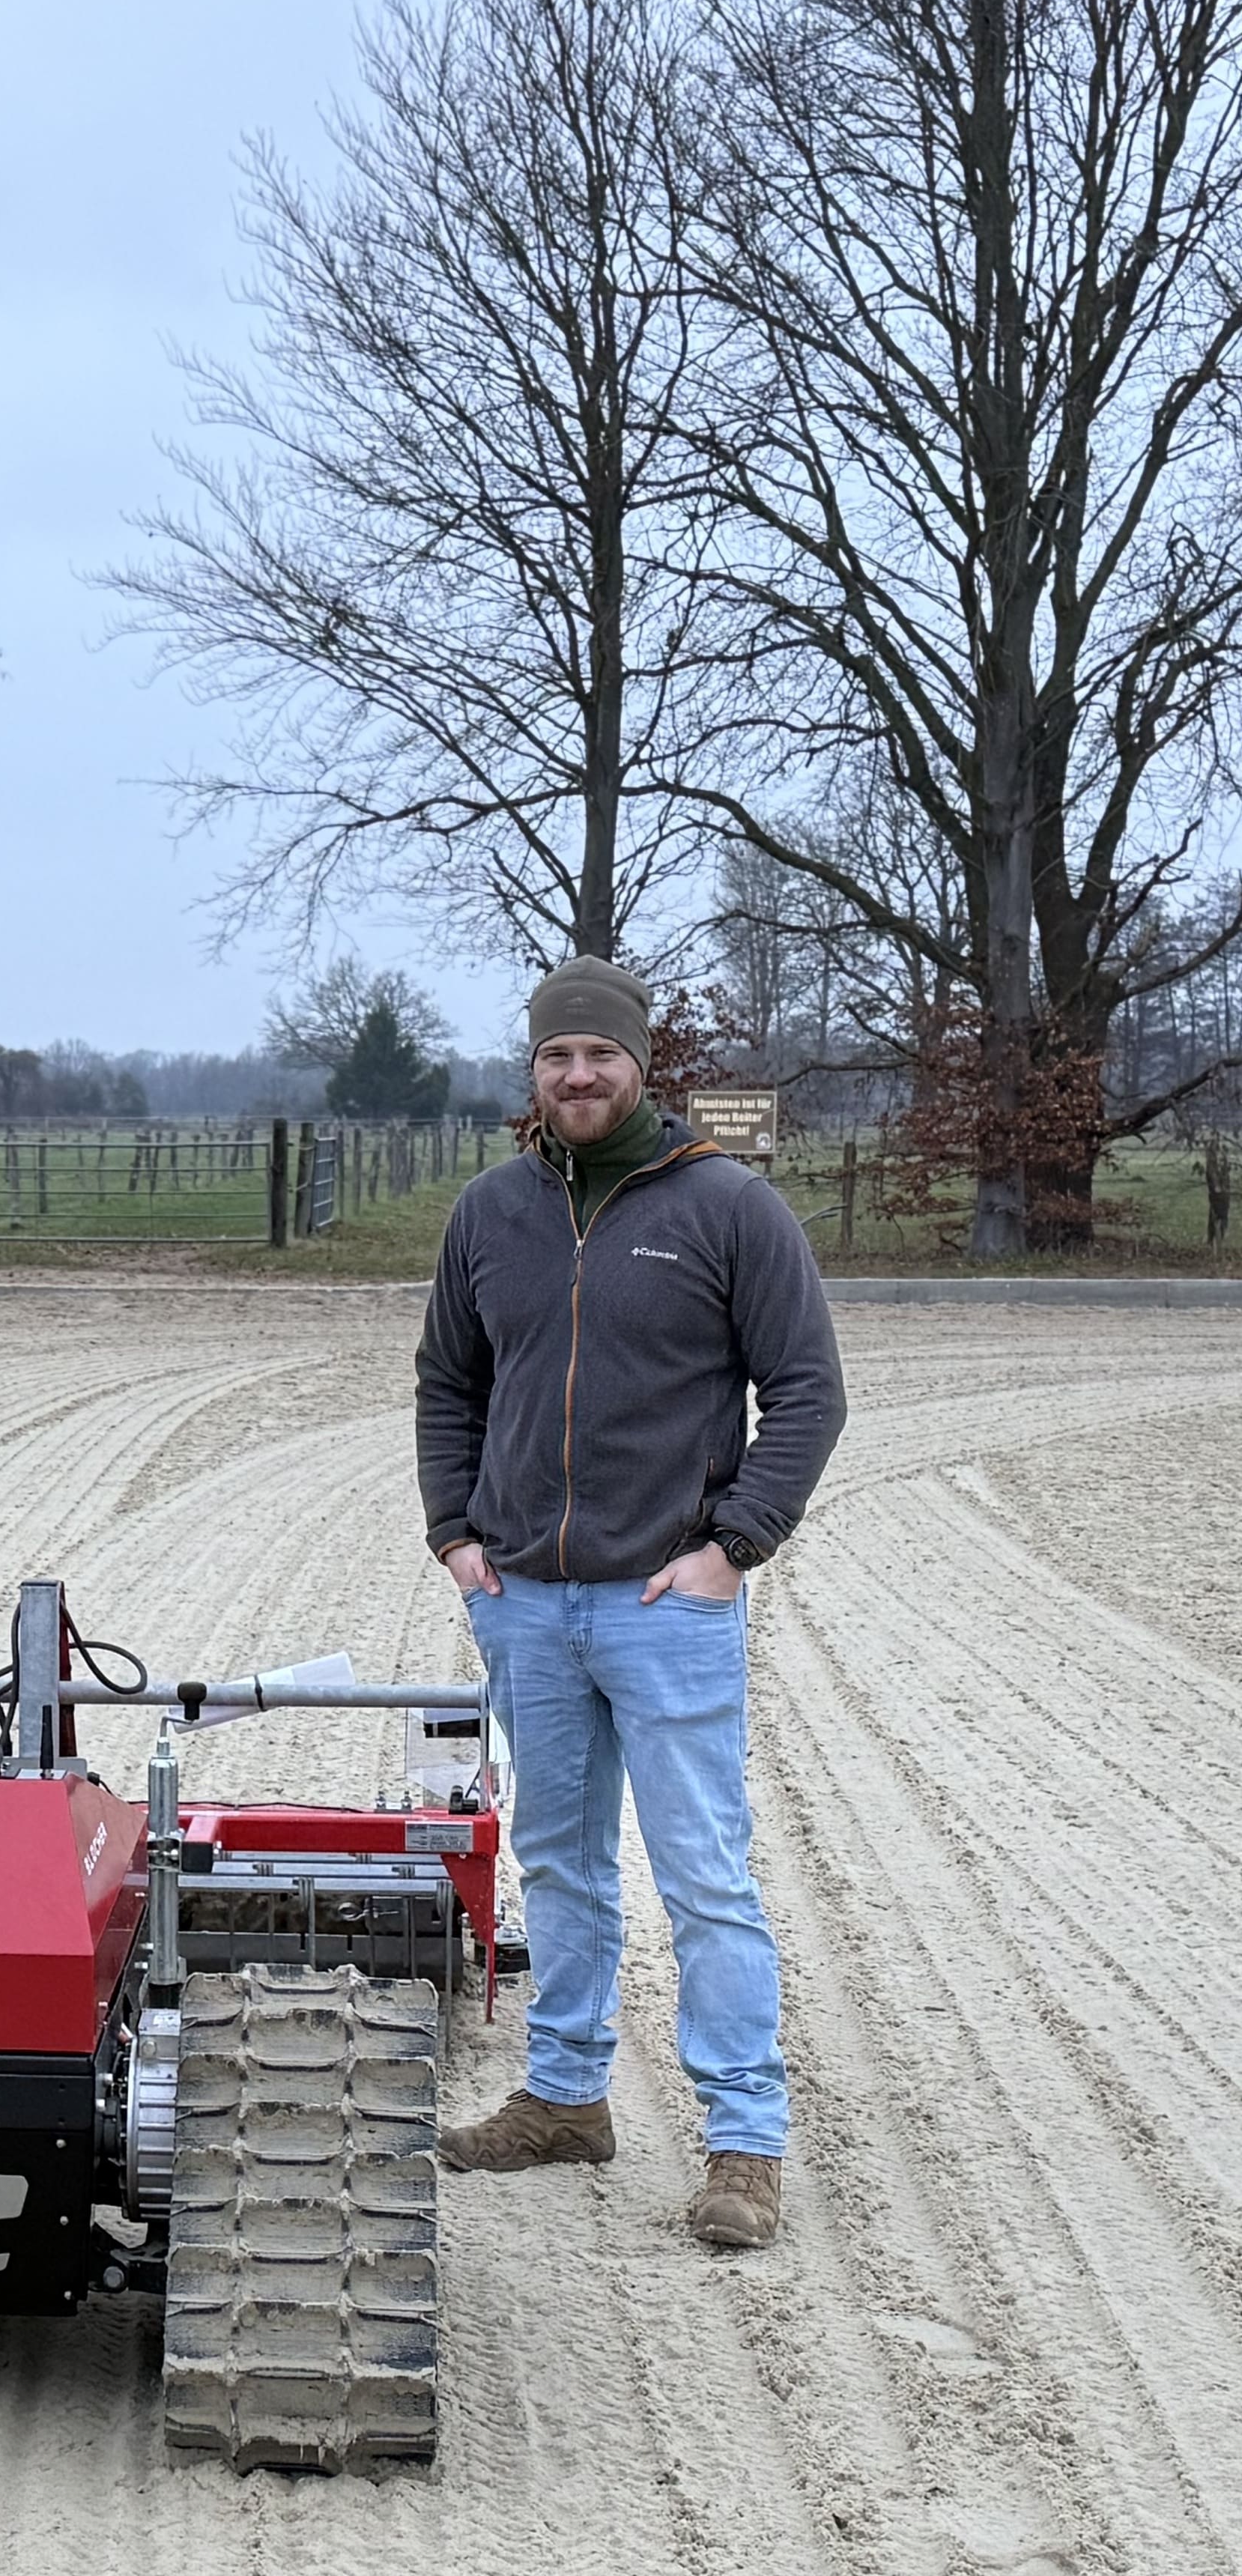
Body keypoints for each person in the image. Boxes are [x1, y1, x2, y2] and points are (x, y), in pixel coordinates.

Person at [415, 957, 845, 2249]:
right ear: (533, 1072)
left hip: (668, 1602)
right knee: (559, 1863)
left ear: (640, 1063)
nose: (580, 1075)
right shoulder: (491, 1213)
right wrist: (456, 1537)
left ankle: (745, 2141)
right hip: (529, 1606)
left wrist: (733, 1545)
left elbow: (808, 1394)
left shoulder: (729, 1207)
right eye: (558, 1057)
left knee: (704, 1872)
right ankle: (564, 2097)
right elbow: (448, 1383)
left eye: (601, 1055)